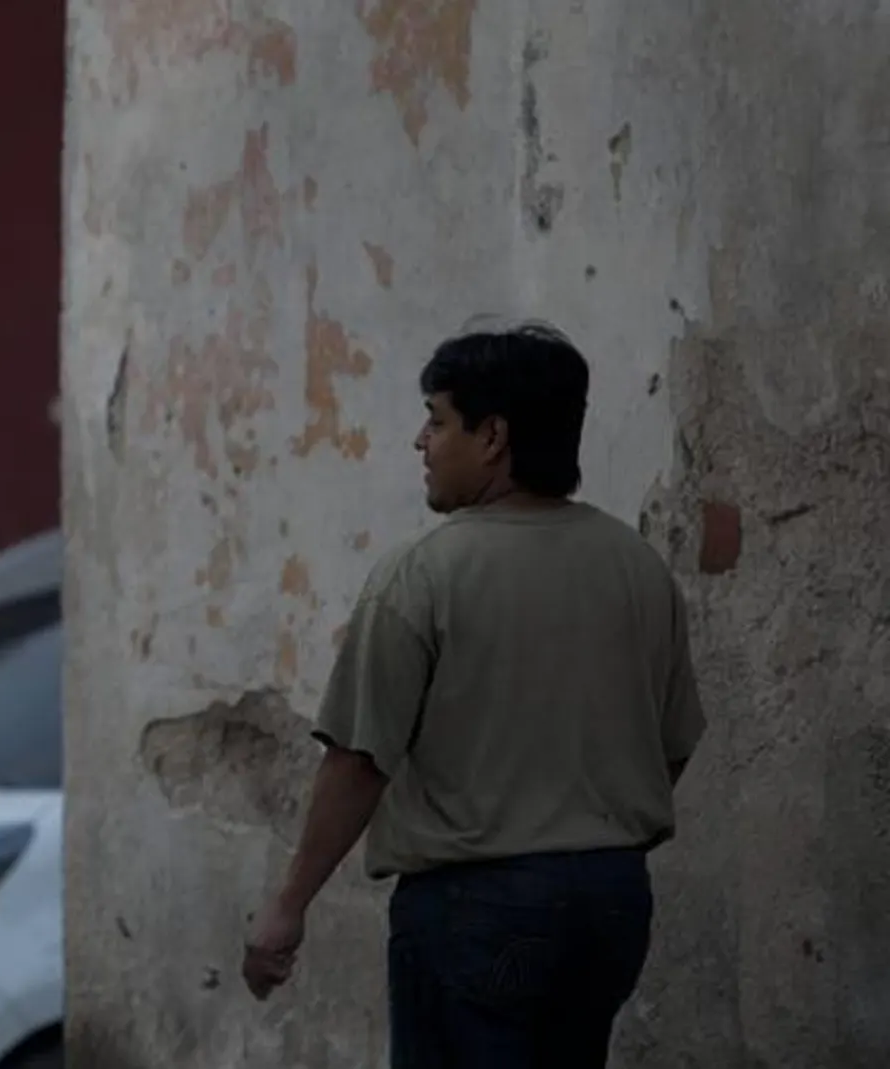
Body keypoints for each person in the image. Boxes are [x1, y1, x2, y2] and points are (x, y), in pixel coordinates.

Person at [241, 322, 707, 1068]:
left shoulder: (422, 574)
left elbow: (358, 761)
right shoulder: (637, 566)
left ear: (492, 436)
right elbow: (672, 744)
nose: (421, 442)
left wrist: (287, 905)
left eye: (436, 421)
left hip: (475, 910)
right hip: (611, 901)